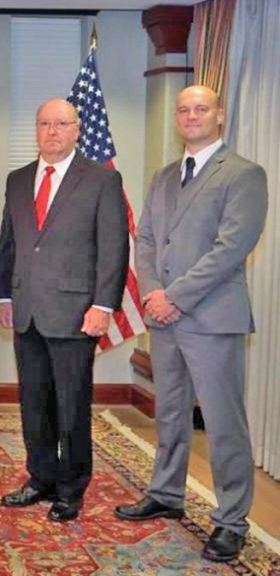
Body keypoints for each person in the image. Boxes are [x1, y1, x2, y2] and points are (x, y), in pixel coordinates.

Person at [114, 85, 267, 563]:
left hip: (212, 319)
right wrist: (154, 294)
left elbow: (231, 247)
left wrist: (174, 296)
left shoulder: (243, 174)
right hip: (164, 318)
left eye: (201, 108)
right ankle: (166, 493)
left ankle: (231, 521)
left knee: (223, 423)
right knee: (170, 413)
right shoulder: (164, 176)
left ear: (219, 115)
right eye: (183, 109)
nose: (191, 116)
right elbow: (146, 239)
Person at [0, 98, 128, 522]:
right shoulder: (18, 179)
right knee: (33, 401)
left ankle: (71, 488)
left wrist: (103, 305)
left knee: (71, 405)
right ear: (36, 129)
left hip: (76, 312)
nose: (52, 131)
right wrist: (3, 296)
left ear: (76, 130)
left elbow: (113, 247)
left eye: (61, 124)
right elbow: (9, 243)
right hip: (27, 310)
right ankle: (41, 477)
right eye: (44, 124)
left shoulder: (101, 180)